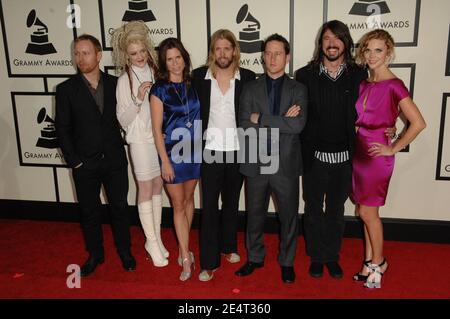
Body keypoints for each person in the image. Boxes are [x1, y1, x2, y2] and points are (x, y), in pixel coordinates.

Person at [295, 20, 396, 280]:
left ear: (346, 43)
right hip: (315, 157)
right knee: (314, 208)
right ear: (321, 43)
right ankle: (317, 257)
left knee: (337, 211)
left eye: (337, 38)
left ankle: (331, 256)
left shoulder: (359, 74)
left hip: (347, 158)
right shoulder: (304, 75)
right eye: (327, 38)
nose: (332, 43)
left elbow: (376, 106)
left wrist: (390, 129)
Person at [55, 34, 135, 277]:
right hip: (84, 164)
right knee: (89, 212)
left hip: (114, 160)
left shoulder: (117, 84)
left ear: (99, 56)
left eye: (86, 52)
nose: (80, 58)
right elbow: (62, 129)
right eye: (77, 53)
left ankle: (125, 251)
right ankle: (95, 254)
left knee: (120, 208)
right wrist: (75, 162)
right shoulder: (66, 89)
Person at [351, 29, 426, 288]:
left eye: (378, 50)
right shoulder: (365, 82)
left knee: (369, 213)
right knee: (363, 211)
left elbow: (418, 123)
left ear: (389, 53)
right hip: (359, 154)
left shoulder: (395, 85)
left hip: (376, 157)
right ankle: (368, 260)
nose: (372, 55)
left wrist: (393, 147)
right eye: (368, 50)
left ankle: (378, 263)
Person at [235, 34, 308, 284]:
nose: (272, 58)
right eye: (268, 53)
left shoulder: (299, 89)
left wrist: (262, 119)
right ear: (262, 56)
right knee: (254, 214)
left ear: (287, 57)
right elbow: (244, 124)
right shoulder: (250, 88)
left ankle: (287, 262)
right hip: (255, 160)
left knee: (288, 216)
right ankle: (255, 258)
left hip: (285, 163)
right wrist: (281, 122)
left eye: (278, 53)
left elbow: (297, 125)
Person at [192, 29, 256, 282]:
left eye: (226, 48)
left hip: (237, 151)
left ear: (234, 51)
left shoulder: (248, 78)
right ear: (212, 52)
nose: (222, 53)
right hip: (209, 152)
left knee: (231, 203)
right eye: (217, 48)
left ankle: (228, 246)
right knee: (209, 207)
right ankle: (208, 262)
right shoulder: (198, 76)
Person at [111, 21, 168, 267]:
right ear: (126, 55)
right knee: (145, 188)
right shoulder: (124, 80)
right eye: (133, 53)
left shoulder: (156, 72)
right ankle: (151, 240)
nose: (140, 57)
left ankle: (154, 239)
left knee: (158, 187)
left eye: (142, 51)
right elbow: (122, 119)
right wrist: (138, 98)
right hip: (139, 141)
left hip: (157, 139)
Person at [150, 37, 201, 281]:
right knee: (178, 205)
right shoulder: (159, 89)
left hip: (195, 153)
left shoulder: (195, 83)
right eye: (169, 59)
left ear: (184, 57)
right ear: (164, 62)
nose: (175, 63)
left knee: (189, 200)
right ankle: (185, 256)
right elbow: (156, 128)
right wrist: (165, 161)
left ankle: (185, 247)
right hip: (172, 153)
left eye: (178, 57)